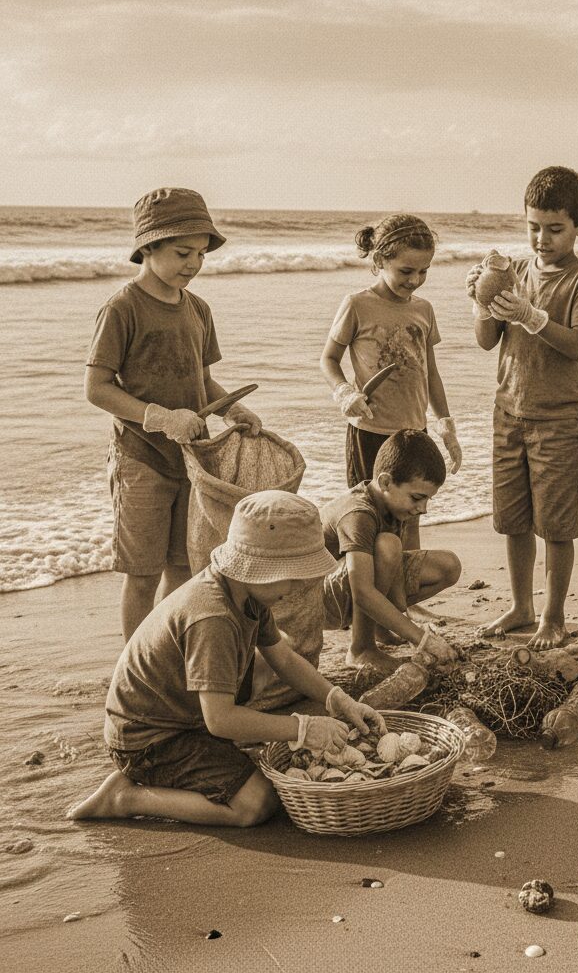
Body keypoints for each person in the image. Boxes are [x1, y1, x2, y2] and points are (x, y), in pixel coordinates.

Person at [67, 491, 386, 827]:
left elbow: (285, 660)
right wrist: (302, 728)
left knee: (285, 645)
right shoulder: (213, 617)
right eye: (292, 574)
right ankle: (125, 797)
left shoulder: (245, 594)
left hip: (183, 713)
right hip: (148, 739)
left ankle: (216, 756)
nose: (297, 585)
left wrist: (338, 699)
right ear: (261, 568)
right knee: (256, 803)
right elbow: (219, 719)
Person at [86, 187, 263, 642]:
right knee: (142, 573)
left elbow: (203, 382)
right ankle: (134, 667)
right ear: (148, 247)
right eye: (183, 252)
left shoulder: (198, 309)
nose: (194, 264)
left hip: (192, 459)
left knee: (184, 565)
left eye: (202, 254)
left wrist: (232, 410)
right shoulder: (123, 308)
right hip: (141, 458)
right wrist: (161, 418)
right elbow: (97, 388)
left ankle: (163, 653)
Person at [467, 166, 578, 649]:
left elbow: (576, 346)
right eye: (533, 227)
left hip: (559, 418)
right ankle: (521, 605)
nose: (541, 239)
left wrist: (531, 315)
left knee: (557, 524)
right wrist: (481, 301)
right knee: (513, 519)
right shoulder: (516, 271)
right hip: (508, 411)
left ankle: (552, 615)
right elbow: (487, 342)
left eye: (554, 229)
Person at [320, 213, 461, 548]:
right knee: (368, 519)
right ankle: (366, 594)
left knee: (411, 516)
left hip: (413, 434)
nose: (415, 280)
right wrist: (344, 393)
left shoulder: (424, 310)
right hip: (370, 432)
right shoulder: (358, 304)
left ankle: (405, 595)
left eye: (424, 271)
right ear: (380, 260)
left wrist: (446, 425)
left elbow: (431, 373)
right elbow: (328, 359)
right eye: (406, 271)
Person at [320, 430, 461, 673]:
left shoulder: (391, 504)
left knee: (449, 566)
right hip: (314, 599)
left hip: (347, 586)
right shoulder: (359, 513)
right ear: (385, 482)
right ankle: (361, 648)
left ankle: (376, 627)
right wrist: (421, 638)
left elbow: (394, 588)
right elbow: (363, 591)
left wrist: (399, 620)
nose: (423, 509)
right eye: (418, 498)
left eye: (428, 499)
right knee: (388, 545)